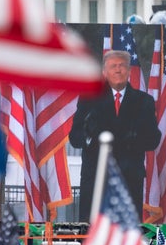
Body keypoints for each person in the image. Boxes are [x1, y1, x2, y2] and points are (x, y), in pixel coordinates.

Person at [69, 50, 161, 222]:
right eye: (113, 66)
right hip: (96, 181)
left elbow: (154, 139)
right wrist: (90, 135)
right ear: (104, 72)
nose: (118, 70)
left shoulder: (144, 101)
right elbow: (75, 138)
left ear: (129, 71)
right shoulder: (89, 98)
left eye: (122, 66)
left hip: (129, 182)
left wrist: (134, 138)